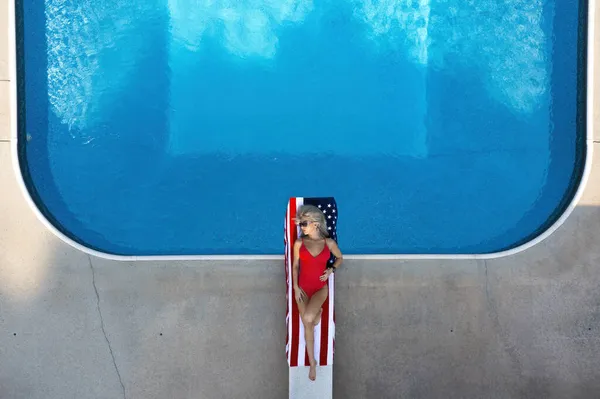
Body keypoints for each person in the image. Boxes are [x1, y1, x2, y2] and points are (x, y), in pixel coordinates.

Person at [292, 204, 343, 381]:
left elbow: (340, 258)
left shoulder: (328, 243)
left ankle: (318, 312)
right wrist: (296, 287)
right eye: (300, 224)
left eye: (304, 223)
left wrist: (331, 270)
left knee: (307, 318)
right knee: (307, 324)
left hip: (320, 288)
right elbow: (296, 266)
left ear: (315, 223)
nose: (302, 227)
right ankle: (312, 363)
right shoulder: (299, 243)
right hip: (303, 289)